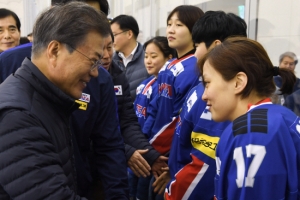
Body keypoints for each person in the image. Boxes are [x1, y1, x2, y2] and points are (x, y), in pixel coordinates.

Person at [0, 2, 112, 199]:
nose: (95, 73)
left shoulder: (46, 100)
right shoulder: (19, 116)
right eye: (93, 61)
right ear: (54, 51)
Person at [153, 11, 247, 200]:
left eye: (196, 46)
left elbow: (205, 164)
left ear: (216, 47)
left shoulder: (219, 97)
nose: (194, 54)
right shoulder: (201, 86)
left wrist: (175, 190)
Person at [199, 37, 299, 199]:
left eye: (208, 83)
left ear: (238, 82)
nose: (204, 95)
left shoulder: (251, 134)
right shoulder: (281, 115)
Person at [101, 33, 169, 200]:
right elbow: (88, 131)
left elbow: (127, 122)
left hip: (115, 166)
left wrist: (151, 156)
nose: (106, 55)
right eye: (99, 49)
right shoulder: (78, 79)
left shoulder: (117, 75)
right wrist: (126, 152)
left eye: (110, 48)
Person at [143, 5, 204, 156]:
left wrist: (155, 147)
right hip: (155, 146)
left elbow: (180, 119)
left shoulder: (193, 68)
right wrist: (145, 140)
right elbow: (155, 107)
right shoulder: (169, 65)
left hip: (172, 151)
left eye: (179, 25)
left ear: (194, 29)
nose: (170, 30)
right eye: (169, 24)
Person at [131, 36, 175, 200]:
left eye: (154, 56)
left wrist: (143, 144)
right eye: (146, 56)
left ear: (169, 58)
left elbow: (153, 118)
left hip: (149, 149)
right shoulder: (146, 83)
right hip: (138, 146)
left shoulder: (163, 88)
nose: (148, 61)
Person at [111, 14, 149, 100]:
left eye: (114, 35)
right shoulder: (110, 61)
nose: (111, 40)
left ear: (129, 34)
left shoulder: (148, 59)